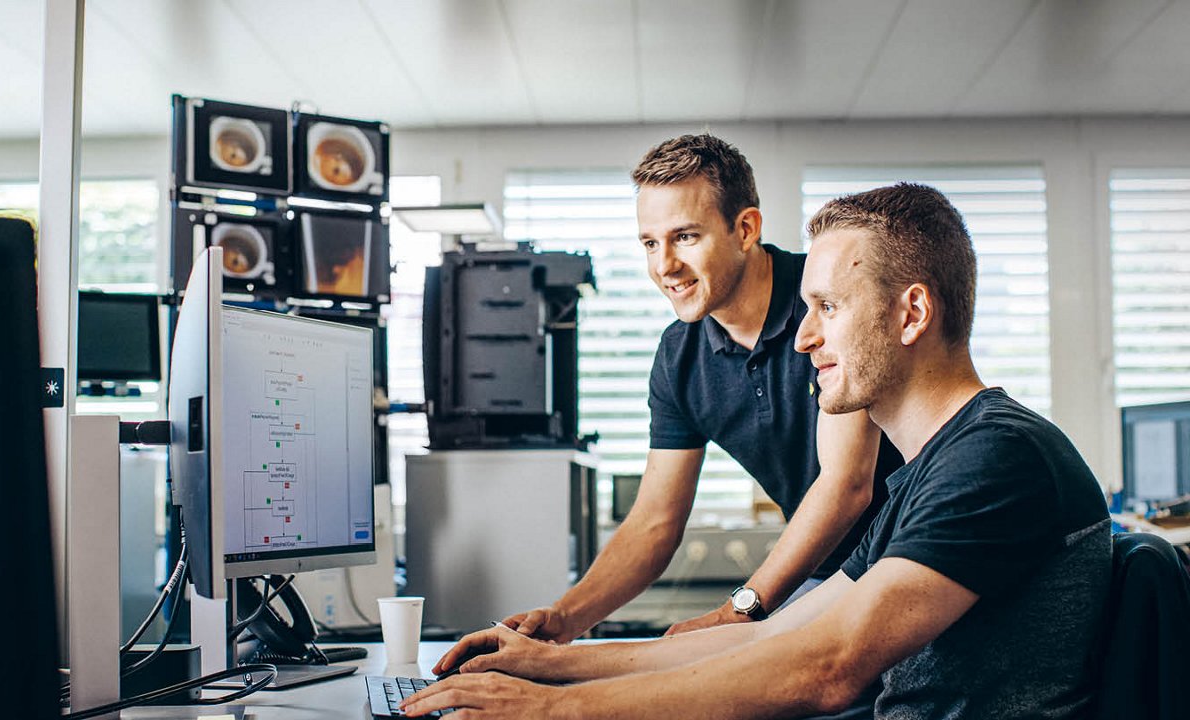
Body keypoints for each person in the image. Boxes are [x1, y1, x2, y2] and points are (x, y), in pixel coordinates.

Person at [402, 183, 1112, 719]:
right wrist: (552, 664)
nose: (802, 339)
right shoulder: (928, 474)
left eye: (828, 309)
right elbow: (766, 638)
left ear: (912, 314)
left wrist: (555, 708)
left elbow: (829, 666)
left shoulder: (996, 458)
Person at [502, 134, 904, 647]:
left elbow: (846, 484)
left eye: (685, 237)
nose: (664, 265)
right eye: (650, 243)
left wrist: (742, 609)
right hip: (825, 577)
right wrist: (563, 620)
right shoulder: (680, 358)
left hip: (905, 559)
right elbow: (654, 522)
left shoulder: (824, 298)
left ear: (745, 229)